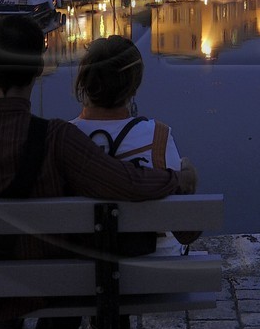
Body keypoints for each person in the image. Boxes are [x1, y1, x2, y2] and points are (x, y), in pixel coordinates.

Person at [0, 16, 196, 329]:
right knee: (69, 246)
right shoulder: (54, 138)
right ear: (39, 69)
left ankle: (7, 328)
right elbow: (128, 184)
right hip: (35, 283)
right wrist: (175, 178)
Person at [68, 36, 198, 254]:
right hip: (153, 270)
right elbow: (186, 230)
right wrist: (188, 180)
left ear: (85, 82)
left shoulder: (62, 137)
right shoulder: (157, 136)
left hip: (80, 271)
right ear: (133, 87)